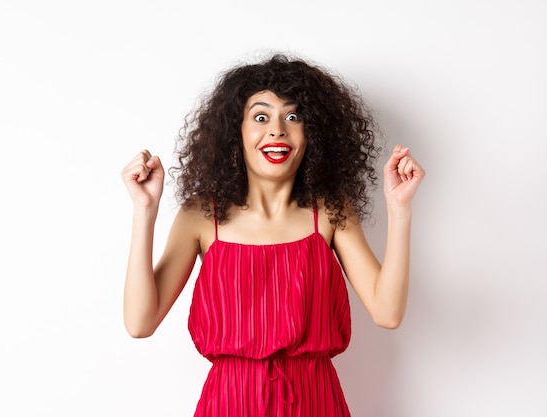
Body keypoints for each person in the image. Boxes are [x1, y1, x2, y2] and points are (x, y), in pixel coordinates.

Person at [121, 53, 425, 416]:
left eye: (293, 116)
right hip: (230, 404)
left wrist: (399, 208)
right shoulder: (201, 217)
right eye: (261, 116)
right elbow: (140, 323)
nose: (277, 129)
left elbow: (387, 313)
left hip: (316, 404)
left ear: (312, 132)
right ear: (237, 131)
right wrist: (144, 211)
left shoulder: (329, 212)